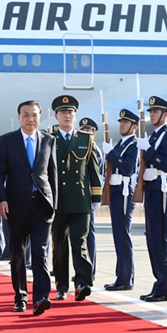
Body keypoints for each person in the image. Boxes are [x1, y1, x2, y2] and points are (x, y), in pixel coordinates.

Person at [0, 100, 57, 316]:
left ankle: (41, 297)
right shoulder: (7, 141)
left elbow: (52, 174)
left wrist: (53, 204)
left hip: (41, 205)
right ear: (19, 117)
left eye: (35, 114)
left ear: (40, 116)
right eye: (26, 114)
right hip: (15, 205)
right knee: (18, 253)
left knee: (40, 252)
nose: (31, 118)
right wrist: (1, 200)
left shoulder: (49, 140)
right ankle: (20, 295)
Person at [50, 95, 101, 302]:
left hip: (81, 201)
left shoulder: (85, 139)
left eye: (70, 112)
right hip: (58, 201)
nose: (67, 115)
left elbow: (93, 171)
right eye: (63, 112)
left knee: (79, 243)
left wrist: (96, 197)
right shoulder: (49, 138)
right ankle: (61, 285)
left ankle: (82, 283)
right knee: (60, 245)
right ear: (56, 116)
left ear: (75, 115)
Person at [136, 95, 167, 303]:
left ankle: (164, 286)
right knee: (152, 239)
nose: (152, 114)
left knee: (160, 239)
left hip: (161, 191)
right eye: (150, 111)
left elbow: (166, 164)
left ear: (165, 114)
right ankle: (159, 283)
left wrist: (148, 150)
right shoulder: (153, 137)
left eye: (155, 111)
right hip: (151, 190)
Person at [102, 109, 139, 291]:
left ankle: (126, 278)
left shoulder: (133, 144)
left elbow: (128, 168)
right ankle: (121, 275)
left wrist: (111, 155)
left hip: (125, 193)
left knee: (123, 236)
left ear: (134, 126)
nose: (122, 125)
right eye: (121, 122)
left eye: (126, 122)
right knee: (118, 235)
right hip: (116, 192)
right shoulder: (120, 144)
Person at [78, 117, 104, 279]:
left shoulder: (95, 150)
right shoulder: (79, 148)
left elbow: (97, 176)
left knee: (89, 235)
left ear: (94, 133)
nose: (86, 133)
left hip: (88, 197)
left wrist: (96, 197)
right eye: (83, 130)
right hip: (77, 196)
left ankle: (91, 269)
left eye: (88, 131)